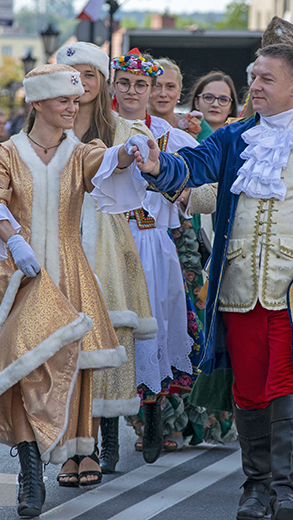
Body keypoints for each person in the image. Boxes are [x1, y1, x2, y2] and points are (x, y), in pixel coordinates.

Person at [126, 43, 293, 520]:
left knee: (291, 383)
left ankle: (287, 488)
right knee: (250, 389)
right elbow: (193, 166)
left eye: (265, 79)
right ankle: (256, 488)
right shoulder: (235, 136)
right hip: (236, 289)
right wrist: (156, 167)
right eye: (253, 78)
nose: (253, 86)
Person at [0, 64, 127, 518]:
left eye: (76, 101)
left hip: (71, 273)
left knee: (69, 369)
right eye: (63, 101)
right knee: (19, 369)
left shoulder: (82, 152)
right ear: (37, 103)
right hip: (20, 275)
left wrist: (131, 151)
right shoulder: (5, 152)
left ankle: (71, 450)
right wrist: (13, 237)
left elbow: (108, 166)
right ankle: (29, 474)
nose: (74, 108)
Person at [96, 48, 202, 465]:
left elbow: (202, 186)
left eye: (142, 84)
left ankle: (155, 414)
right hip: (108, 243)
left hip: (155, 242)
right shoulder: (99, 133)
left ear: (153, 89)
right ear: (113, 87)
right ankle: (106, 434)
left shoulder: (174, 138)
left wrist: (182, 195)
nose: (133, 91)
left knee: (154, 328)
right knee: (109, 332)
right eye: (124, 83)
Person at [55, 40, 154, 479]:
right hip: (54, 243)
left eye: (89, 75)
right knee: (57, 344)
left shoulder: (122, 130)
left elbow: (152, 179)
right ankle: (64, 444)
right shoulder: (44, 128)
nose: (80, 84)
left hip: (106, 244)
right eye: (71, 75)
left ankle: (103, 437)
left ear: (101, 81)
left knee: (107, 337)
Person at [148, 58, 211, 142]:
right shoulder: (132, 124)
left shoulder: (197, 123)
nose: (163, 94)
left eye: (170, 86)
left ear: (179, 92)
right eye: (157, 86)